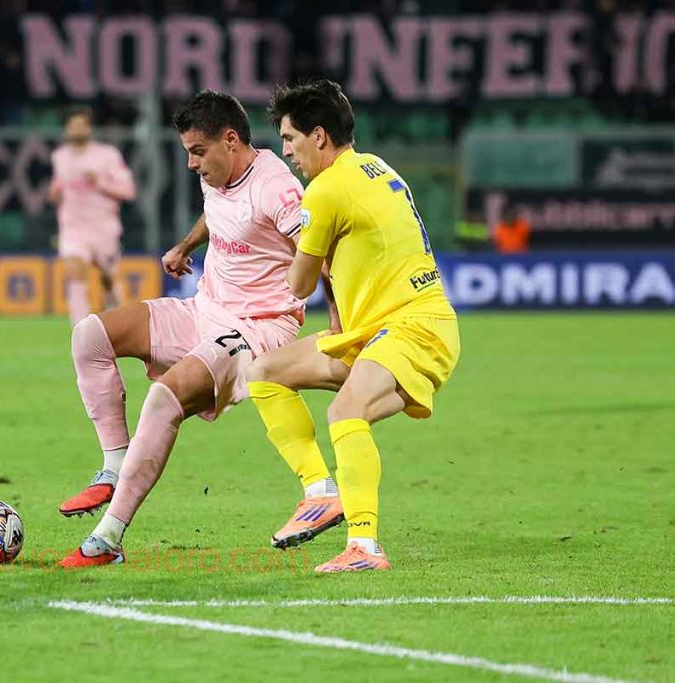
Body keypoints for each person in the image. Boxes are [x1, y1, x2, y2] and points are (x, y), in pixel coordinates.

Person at [58, 90, 332, 568]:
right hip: (205, 308)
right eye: (188, 152)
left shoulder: (277, 187)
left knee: (164, 398)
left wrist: (341, 323)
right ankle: (114, 465)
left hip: (258, 328)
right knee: (90, 335)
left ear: (231, 140)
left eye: (198, 151)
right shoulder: (217, 175)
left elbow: (320, 256)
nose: (191, 164)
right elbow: (218, 211)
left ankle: (107, 538)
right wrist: (186, 245)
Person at [247, 80, 460, 572]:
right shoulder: (375, 166)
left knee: (345, 411)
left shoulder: (325, 190)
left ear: (319, 136)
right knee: (265, 372)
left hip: (411, 326)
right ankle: (321, 492)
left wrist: (287, 245)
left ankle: (364, 546)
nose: (287, 152)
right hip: (381, 331)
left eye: (290, 139)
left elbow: (299, 284)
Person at [48, 106, 136, 326]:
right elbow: (59, 188)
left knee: (109, 280)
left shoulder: (108, 155)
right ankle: (81, 329)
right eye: (73, 126)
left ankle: (121, 324)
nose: (77, 130)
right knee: (74, 272)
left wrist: (100, 183)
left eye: (81, 125)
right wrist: (55, 192)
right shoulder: (60, 157)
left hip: (103, 228)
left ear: (89, 128)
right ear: (66, 129)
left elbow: (128, 191)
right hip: (73, 228)